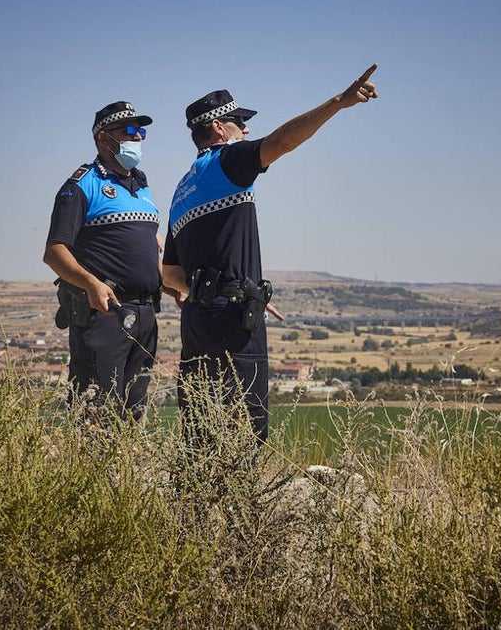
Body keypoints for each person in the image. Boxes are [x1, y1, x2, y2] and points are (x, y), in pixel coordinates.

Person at [162, 65, 379, 443]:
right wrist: (338, 103)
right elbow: (280, 142)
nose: (245, 130)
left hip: (198, 322)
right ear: (217, 128)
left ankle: (195, 502)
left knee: (200, 432)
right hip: (232, 323)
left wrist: (213, 291)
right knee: (244, 432)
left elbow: (169, 273)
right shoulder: (225, 162)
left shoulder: (182, 188)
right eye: (239, 122)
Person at [44, 100, 162, 420]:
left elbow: (147, 241)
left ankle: (124, 470)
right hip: (104, 313)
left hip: (145, 313)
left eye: (141, 131)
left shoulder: (142, 183)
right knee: (97, 413)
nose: (137, 138)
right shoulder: (82, 184)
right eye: (129, 131)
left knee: (132, 410)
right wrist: (91, 284)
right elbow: (54, 251)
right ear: (103, 138)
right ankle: (92, 472)